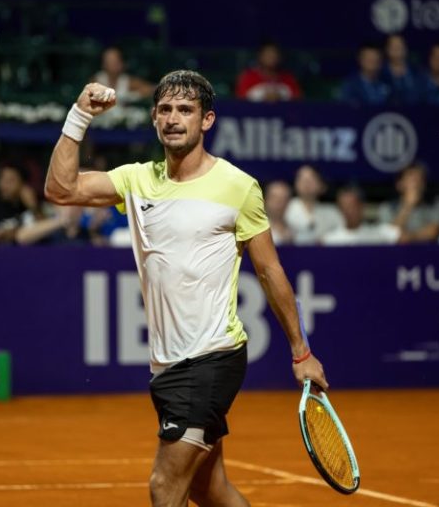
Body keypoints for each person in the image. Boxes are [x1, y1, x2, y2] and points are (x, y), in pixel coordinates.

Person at [44, 71, 327, 507]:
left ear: (206, 120)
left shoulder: (238, 186)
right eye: (165, 110)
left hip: (211, 358)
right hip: (168, 365)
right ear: (155, 119)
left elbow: (270, 272)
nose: (173, 119)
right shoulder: (136, 180)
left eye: (185, 110)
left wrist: (301, 353)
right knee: (209, 490)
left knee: (164, 486)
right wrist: (79, 115)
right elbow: (60, 189)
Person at [377, 163, 439, 243]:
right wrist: (408, 206)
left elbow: (434, 231)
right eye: (412, 180)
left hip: (430, 251)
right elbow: (389, 235)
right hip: (396, 253)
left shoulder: (436, 203)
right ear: (399, 185)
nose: (417, 184)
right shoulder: (387, 208)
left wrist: (411, 237)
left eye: (420, 179)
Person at [284, 165, 344, 245]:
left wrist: (326, 240)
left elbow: (343, 234)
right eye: (302, 179)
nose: (306, 183)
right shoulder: (284, 208)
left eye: (311, 180)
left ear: (322, 185)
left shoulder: (332, 212)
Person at [322, 186, 400, 245]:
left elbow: (400, 236)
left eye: (352, 206)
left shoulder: (380, 232)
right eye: (344, 207)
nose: (349, 211)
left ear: (361, 206)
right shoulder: (330, 239)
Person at [236, 41, 302, 102]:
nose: (272, 57)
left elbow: (298, 100)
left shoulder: (288, 78)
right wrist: (263, 96)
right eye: (268, 54)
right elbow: (240, 101)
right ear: (260, 56)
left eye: (274, 54)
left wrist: (280, 96)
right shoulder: (248, 77)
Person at [381, 34, 423, 106]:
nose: (397, 49)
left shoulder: (417, 71)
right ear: (387, 49)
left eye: (400, 46)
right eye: (393, 46)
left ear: (406, 48)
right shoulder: (380, 73)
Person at [264, 181, 293, 245]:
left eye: (284, 199)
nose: (279, 203)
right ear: (265, 201)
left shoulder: (294, 229)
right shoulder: (256, 231)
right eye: (274, 198)